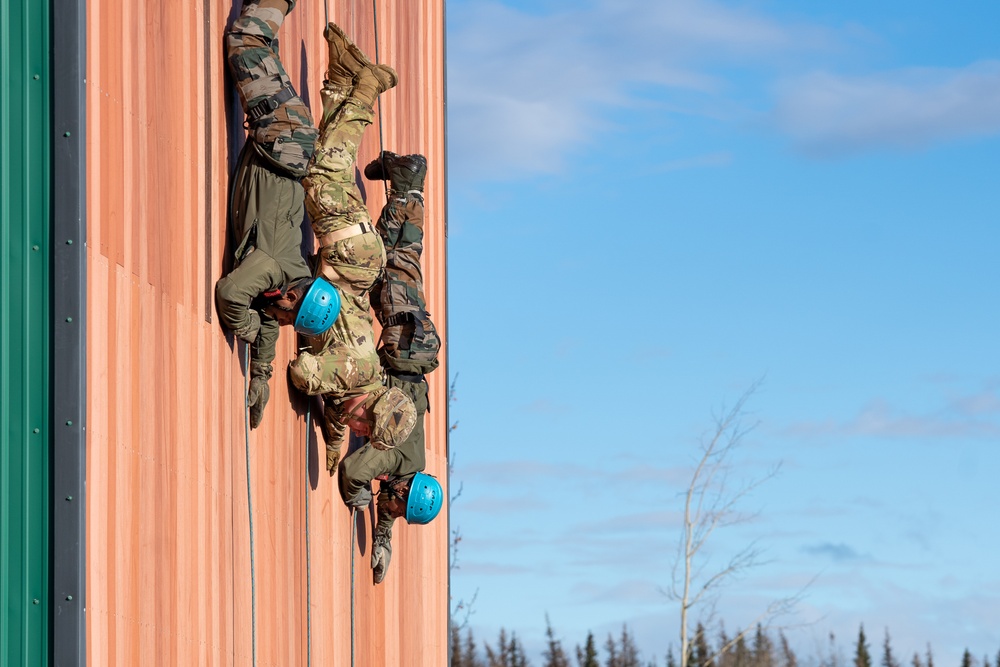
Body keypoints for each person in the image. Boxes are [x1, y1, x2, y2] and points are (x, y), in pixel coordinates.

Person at [285, 23, 419, 457]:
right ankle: (366, 90)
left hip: (359, 259)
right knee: (324, 172)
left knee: (328, 164)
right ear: (370, 413)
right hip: (347, 253)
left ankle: (343, 78)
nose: (359, 432)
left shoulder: (365, 376)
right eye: (366, 429)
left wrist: (334, 434)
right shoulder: (354, 373)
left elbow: (341, 395)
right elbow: (304, 373)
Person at [215, 0, 336, 428]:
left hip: (292, 140)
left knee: (263, 47)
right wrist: (245, 328)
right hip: (281, 134)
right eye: (290, 320)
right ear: (291, 299)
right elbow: (231, 295)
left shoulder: (289, 274)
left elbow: (266, 323)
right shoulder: (269, 270)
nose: (283, 326)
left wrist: (261, 376)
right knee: (245, 41)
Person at [339, 150, 445, 583]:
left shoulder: (411, 464)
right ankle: (407, 182)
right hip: (401, 344)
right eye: (398, 507)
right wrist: (359, 494)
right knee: (385, 265)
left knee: (406, 263)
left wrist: (382, 538)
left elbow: (390, 498)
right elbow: (353, 472)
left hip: (417, 350)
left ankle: (409, 185)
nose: (393, 510)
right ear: (404, 491)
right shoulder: (397, 460)